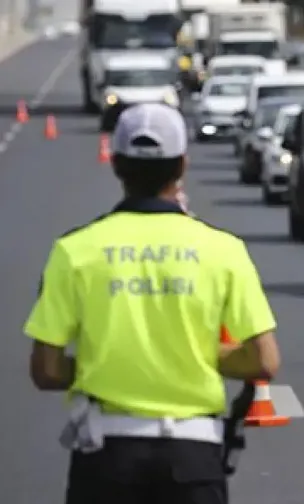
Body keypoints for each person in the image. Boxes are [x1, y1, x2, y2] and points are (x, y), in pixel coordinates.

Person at [24, 103, 281, 504]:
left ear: (116, 164)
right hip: (193, 457)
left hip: (106, 455)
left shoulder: (74, 251)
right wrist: (190, 354)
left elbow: (46, 369)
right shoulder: (223, 250)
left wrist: (109, 362)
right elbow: (263, 360)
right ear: (181, 166)